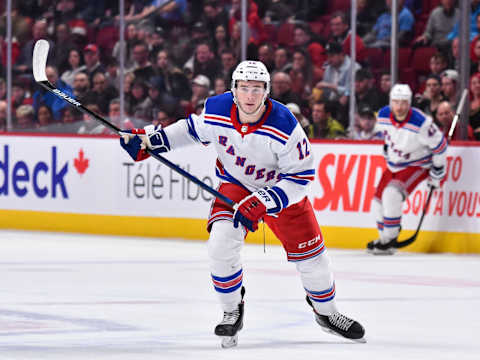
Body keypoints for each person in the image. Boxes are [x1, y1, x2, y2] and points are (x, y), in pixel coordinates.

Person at [119, 60, 366, 347]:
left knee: (315, 262)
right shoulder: (217, 109)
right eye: (244, 88)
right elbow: (190, 130)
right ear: (234, 90)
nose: (250, 96)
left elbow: (301, 177)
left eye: (257, 89)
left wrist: (266, 200)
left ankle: (326, 313)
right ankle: (231, 310)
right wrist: (150, 143)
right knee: (221, 244)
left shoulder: (285, 125)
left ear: (267, 92)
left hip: (281, 192)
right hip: (236, 186)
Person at [367, 84, 448, 255]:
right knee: (377, 201)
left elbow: (440, 145)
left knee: (391, 194)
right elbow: (386, 137)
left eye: (404, 102)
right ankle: (384, 239)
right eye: (396, 102)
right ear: (391, 102)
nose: (399, 106)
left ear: (409, 103)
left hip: (416, 164)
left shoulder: (421, 122)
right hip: (393, 164)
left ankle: (390, 238)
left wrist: (438, 170)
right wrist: (388, 150)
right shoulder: (383, 115)